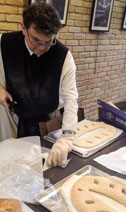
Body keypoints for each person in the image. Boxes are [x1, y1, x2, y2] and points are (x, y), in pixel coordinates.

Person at [0, 3, 78, 167]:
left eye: (48, 42)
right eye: (36, 40)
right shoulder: (4, 44)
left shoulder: (63, 57)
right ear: (23, 28)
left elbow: (71, 99)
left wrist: (67, 137)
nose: (42, 48)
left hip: (46, 125)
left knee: (46, 172)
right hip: (12, 120)